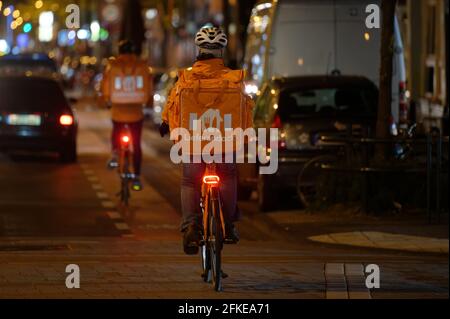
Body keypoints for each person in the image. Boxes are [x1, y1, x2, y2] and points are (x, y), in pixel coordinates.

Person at [160, 27, 255, 255]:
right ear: (221, 51)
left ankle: (191, 226)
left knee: (190, 181)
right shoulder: (234, 80)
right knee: (229, 174)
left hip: (193, 143)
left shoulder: (186, 79)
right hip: (224, 143)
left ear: (199, 50)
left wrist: (166, 123)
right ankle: (229, 225)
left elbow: (173, 105)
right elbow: (246, 109)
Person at [101, 40, 152, 191]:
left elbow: (105, 85)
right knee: (136, 144)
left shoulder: (113, 65)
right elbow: (149, 88)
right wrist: (147, 101)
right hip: (136, 111)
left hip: (118, 110)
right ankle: (136, 176)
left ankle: (116, 154)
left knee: (116, 130)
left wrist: (106, 99)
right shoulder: (143, 66)